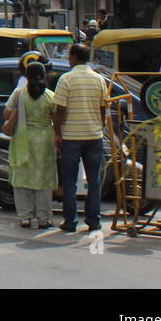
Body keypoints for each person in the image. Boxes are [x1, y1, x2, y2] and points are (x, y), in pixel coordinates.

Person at [52, 43, 109, 233]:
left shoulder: (66, 79)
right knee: (94, 180)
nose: (68, 59)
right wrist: (100, 127)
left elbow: (60, 109)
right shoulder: (99, 80)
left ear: (75, 57)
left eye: (69, 56)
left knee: (69, 181)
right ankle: (94, 220)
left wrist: (57, 133)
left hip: (71, 136)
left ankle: (71, 221)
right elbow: (103, 108)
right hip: (94, 136)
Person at [5, 61, 57, 229]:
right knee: (43, 180)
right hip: (44, 142)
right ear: (44, 76)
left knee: (21, 179)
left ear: (26, 77)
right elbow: (57, 118)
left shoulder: (19, 94)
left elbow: (6, 113)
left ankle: (25, 217)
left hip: (22, 139)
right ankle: (44, 218)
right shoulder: (50, 95)